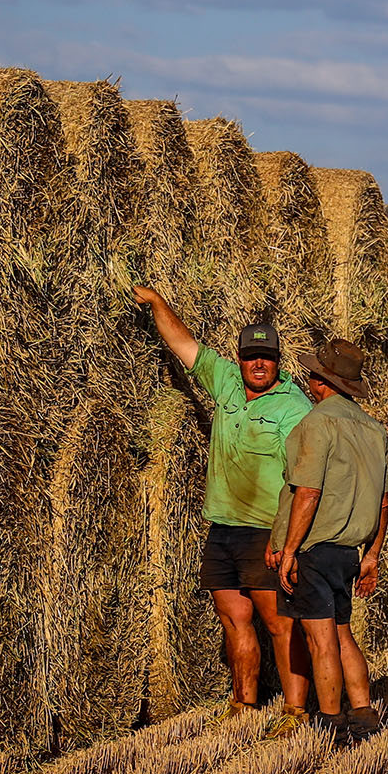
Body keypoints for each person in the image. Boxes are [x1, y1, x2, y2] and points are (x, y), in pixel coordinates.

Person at [133, 287, 314, 727]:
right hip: (222, 528)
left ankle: (294, 711)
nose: (257, 363)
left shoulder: (294, 407)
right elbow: (183, 344)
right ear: (239, 357)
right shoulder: (226, 381)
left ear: (277, 361)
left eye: (266, 357)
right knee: (234, 619)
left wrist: (286, 540)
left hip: (265, 530)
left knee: (279, 623)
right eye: (250, 355)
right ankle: (243, 703)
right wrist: (158, 303)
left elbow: (307, 478)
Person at [270, 336, 388, 745]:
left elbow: (307, 492)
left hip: (316, 550)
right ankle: (364, 712)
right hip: (348, 553)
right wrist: (372, 555)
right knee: (342, 634)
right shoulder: (374, 430)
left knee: (321, 640)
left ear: (321, 382)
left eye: (312, 375)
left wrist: (288, 550)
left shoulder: (317, 423)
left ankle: (332, 723)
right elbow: (384, 499)